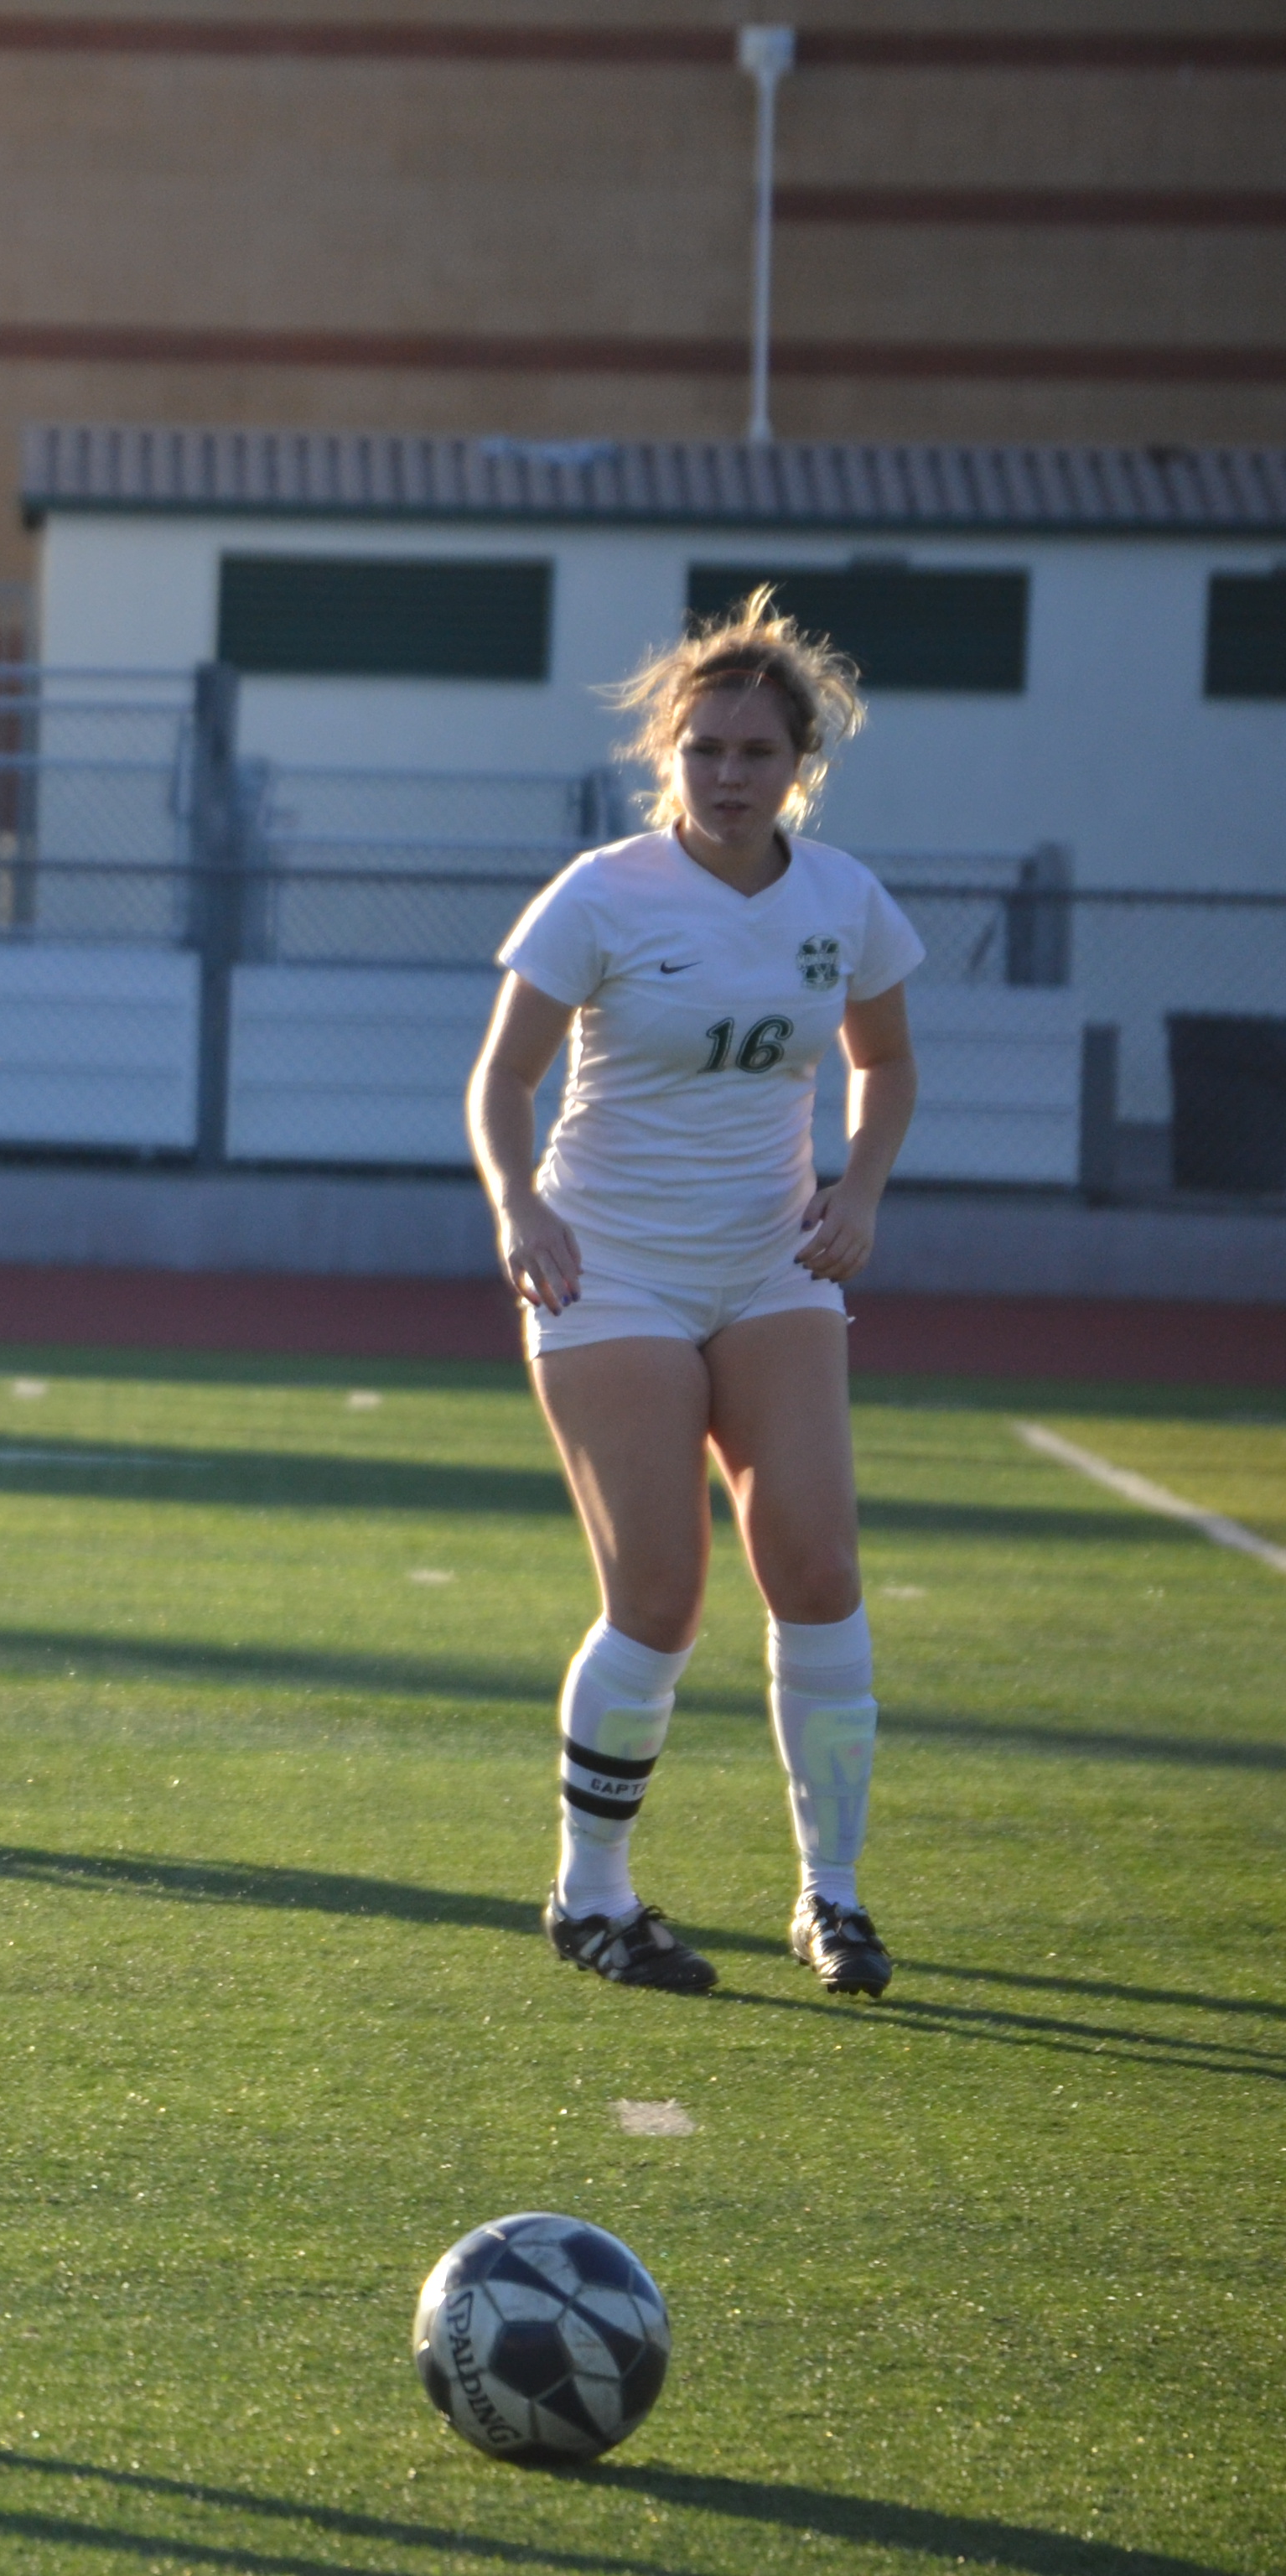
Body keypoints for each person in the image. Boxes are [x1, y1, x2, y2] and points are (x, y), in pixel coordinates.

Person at [464, 589, 922, 2003]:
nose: (728, 773)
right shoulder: (600, 890)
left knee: (820, 1572)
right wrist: (517, 1203)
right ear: (667, 755)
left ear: (799, 764)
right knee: (659, 1596)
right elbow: (500, 1080)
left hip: (769, 1265)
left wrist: (854, 1193)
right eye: (704, 748)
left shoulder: (840, 898)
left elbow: (884, 1065)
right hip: (606, 1267)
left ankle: (829, 1899)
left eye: (754, 751)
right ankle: (589, 1895)